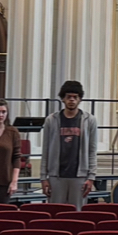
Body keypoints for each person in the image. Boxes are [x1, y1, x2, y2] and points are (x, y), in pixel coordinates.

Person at [41, 80, 100, 208]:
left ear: (80, 99)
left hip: (79, 176)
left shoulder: (89, 120)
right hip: (56, 176)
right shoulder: (51, 120)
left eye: (75, 97)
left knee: (77, 213)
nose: (72, 100)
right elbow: (45, 150)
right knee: (55, 213)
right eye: (69, 97)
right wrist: (43, 177)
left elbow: (92, 150)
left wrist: (91, 177)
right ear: (63, 99)